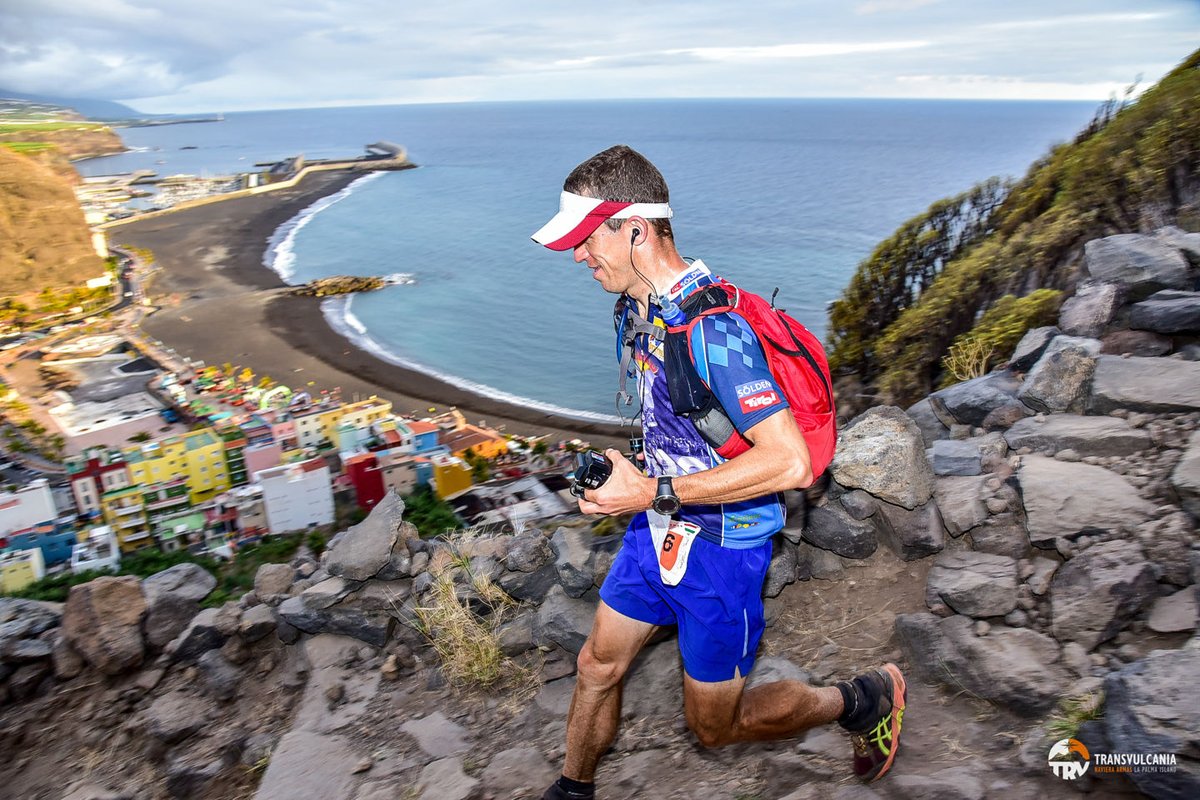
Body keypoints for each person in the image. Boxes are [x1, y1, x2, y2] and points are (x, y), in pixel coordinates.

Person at [530, 145, 906, 800]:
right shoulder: (643, 310)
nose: (577, 255)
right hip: (658, 530)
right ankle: (572, 790)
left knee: (716, 728)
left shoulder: (717, 333)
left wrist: (650, 489)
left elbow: (787, 458)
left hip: (724, 553)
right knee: (596, 666)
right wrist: (638, 483)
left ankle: (861, 700)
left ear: (636, 230)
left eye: (587, 239)